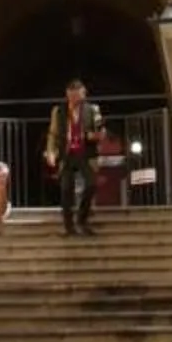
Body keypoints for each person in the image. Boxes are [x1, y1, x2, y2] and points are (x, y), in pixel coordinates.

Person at [44, 77, 105, 236]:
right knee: (66, 189)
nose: (74, 99)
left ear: (83, 95)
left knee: (91, 184)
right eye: (71, 96)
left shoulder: (93, 110)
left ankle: (82, 219)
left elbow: (101, 132)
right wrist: (50, 152)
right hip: (67, 153)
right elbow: (53, 133)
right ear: (67, 95)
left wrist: (94, 136)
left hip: (86, 154)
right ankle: (68, 227)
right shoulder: (58, 111)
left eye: (77, 96)